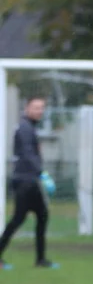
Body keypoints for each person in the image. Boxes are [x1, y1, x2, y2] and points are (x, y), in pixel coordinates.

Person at [0, 96, 57, 270]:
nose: (39, 111)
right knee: (18, 219)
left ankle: (40, 259)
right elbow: (27, 154)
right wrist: (43, 174)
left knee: (41, 216)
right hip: (26, 181)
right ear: (27, 109)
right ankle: (39, 259)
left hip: (30, 180)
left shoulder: (30, 127)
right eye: (36, 107)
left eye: (42, 108)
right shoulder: (24, 128)